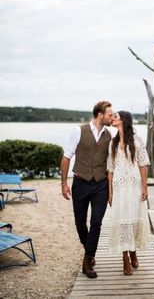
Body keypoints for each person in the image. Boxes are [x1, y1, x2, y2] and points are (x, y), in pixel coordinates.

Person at [61, 101, 113, 278]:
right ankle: (88, 248)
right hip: (81, 183)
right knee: (80, 223)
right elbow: (67, 157)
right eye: (109, 115)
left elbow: (112, 162)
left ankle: (88, 258)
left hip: (101, 184)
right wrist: (63, 183)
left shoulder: (109, 136)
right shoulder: (78, 131)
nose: (111, 117)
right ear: (100, 115)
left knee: (97, 222)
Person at [107, 110, 150, 275]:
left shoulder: (137, 141)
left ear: (124, 120)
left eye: (116, 117)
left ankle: (133, 251)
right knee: (121, 218)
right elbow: (110, 169)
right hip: (119, 188)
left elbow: (143, 164)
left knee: (133, 217)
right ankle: (124, 258)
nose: (113, 118)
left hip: (134, 187)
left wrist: (144, 187)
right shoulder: (112, 143)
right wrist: (110, 192)